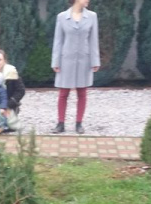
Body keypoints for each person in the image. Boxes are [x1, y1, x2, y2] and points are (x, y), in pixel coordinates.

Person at [50, 0, 100, 134]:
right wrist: (55, 61)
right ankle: (60, 123)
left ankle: (79, 123)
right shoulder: (62, 17)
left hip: (84, 59)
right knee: (63, 93)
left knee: (82, 93)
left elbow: (93, 40)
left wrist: (95, 61)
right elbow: (58, 41)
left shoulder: (92, 16)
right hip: (66, 60)